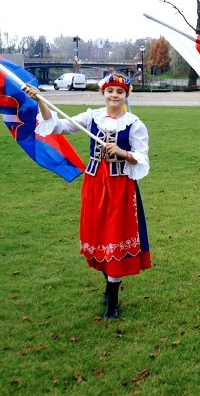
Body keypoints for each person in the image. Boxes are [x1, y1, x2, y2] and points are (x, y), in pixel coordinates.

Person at [23, 74, 151, 319]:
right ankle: (109, 285)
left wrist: (123, 152)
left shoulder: (134, 124)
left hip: (119, 188)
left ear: (126, 96)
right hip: (94, 185)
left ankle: (111, 300)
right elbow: (57, 126)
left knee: (115, 235)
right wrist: (40, 100)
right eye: (110, 90)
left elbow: (142, 157)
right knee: (98, 236)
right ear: (103, 93)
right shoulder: (90, 117)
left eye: (120, 92)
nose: (114, 95)